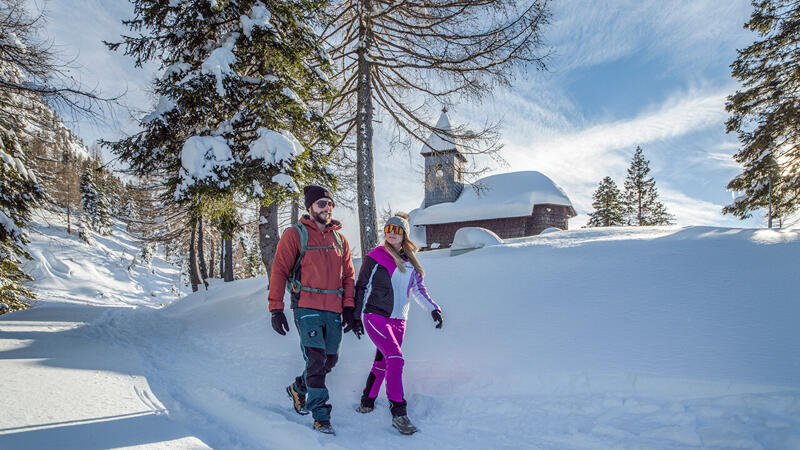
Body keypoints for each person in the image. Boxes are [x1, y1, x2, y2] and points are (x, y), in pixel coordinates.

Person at [267, 185, 361, 435]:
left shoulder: (340, 240)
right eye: (321, 204)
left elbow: (349, 277)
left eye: (330, 204)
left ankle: (298, 388)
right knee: (316, 360)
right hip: (306, 306)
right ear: (310, 207)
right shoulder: (294, 235)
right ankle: (321, 416)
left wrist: (349, 308)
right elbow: (279, 271)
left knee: (329, 360)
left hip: (333, 309)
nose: (327, 208)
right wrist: (276, 308)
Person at [353, 212, 443, 435]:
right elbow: (361, 286)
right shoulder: (376, 256)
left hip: (399, 321)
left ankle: (367, 401)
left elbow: (418, 291)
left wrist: (433, 309)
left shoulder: (410, 262)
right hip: (376, 316)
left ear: (404, 235)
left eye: (397, 230)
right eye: (388, 229)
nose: (391, 233)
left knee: (383, 364)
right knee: (396, 359)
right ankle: (399, 413)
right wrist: (355, 315)